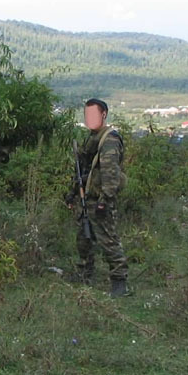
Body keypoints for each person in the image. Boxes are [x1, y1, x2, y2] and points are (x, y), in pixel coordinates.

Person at [69, 97, 129, 297]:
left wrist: (105, 200)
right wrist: (72, 194)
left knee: (108, 240)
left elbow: (110, 173)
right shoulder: (92, 138)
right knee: (83, 239)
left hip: (100, 199)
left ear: (103, 115)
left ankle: (119, 281)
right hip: (86, 196)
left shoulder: (109, 139)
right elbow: (82, 169)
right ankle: (85, 275)